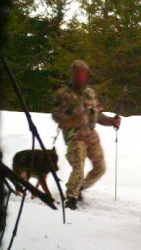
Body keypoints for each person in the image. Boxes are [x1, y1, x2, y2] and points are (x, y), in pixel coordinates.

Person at [52, 59, 121, 210]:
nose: (81, 77)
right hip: (75, 136)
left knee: (100, 168)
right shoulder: (63, 94)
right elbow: (56, 115)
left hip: (91, 135)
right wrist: (71, 118)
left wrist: (111, 121)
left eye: (84, 74)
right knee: (78, 168)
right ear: (73, 74)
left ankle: (79, 188)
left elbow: (98, 115)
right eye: (78, 74)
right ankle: (71, 198)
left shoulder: (90, 93)